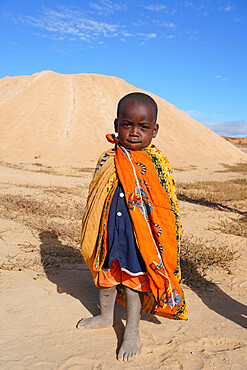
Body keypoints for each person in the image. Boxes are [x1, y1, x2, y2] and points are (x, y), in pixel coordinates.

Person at [77, 92, 188, 362]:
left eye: (143, 126)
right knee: (106, 277)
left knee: (133, 282)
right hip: (109, 231)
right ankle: (105, 316)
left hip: (139, 238)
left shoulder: (157, 163)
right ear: (117, 125)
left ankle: (132, 331)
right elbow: (97, 195)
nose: (134, 132)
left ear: (155, 130)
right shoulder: (108, 158)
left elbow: (166, 208)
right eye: (127, 125)